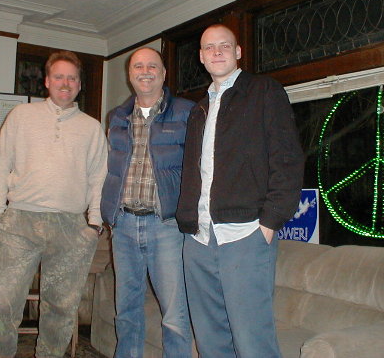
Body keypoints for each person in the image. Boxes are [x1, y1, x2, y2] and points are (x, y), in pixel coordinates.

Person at [176, 24, 305, 358]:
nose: (217, 52)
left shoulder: (264, 91)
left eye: (224, 45)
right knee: (210, 341)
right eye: (209, 47)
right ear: (201, 57)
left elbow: (288, 159)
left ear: (238, 52)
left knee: (252, 342)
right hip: (199, 239)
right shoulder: (199, 109)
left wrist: (270, 222)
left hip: (245, 235)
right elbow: (194, 172)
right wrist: (187, 222)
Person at [0, 50, 108, 358]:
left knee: (61, 311)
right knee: (1, 308)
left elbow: (99, 178)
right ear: (47, 81)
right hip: (17, 223)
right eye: (59, 76)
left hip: (71, 228)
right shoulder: (20, 116)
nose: (65, 83)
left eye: (72, 78)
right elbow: (1, 163)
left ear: (79, 84)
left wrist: (93, 224)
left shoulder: (92, 128)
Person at [101, 47, 194, 358]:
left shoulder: (187, 112)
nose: (145, 71)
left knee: (174, 314)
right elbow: (111, 168)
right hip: (123, 226)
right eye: (138, 66)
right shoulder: (117, 117)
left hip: (166, 226)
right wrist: (108, 214)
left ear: (164, 73)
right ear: (129, 75)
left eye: (152, 66)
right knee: (126, 310)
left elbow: (200, 168)